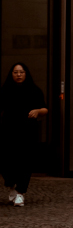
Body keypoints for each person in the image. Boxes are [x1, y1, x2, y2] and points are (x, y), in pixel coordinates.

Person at [1, 62, 45, 207]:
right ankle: (11, 185)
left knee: (25, 161)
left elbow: (45, 109)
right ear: (11, 74)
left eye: (21, 72)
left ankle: (20, 192)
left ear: (26, 73)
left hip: (27, 132)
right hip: (8, 131)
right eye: (15, 72)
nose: (18, 75)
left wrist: (38, 111)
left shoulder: (34, 90)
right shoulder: (5, 90)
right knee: (7, 160)